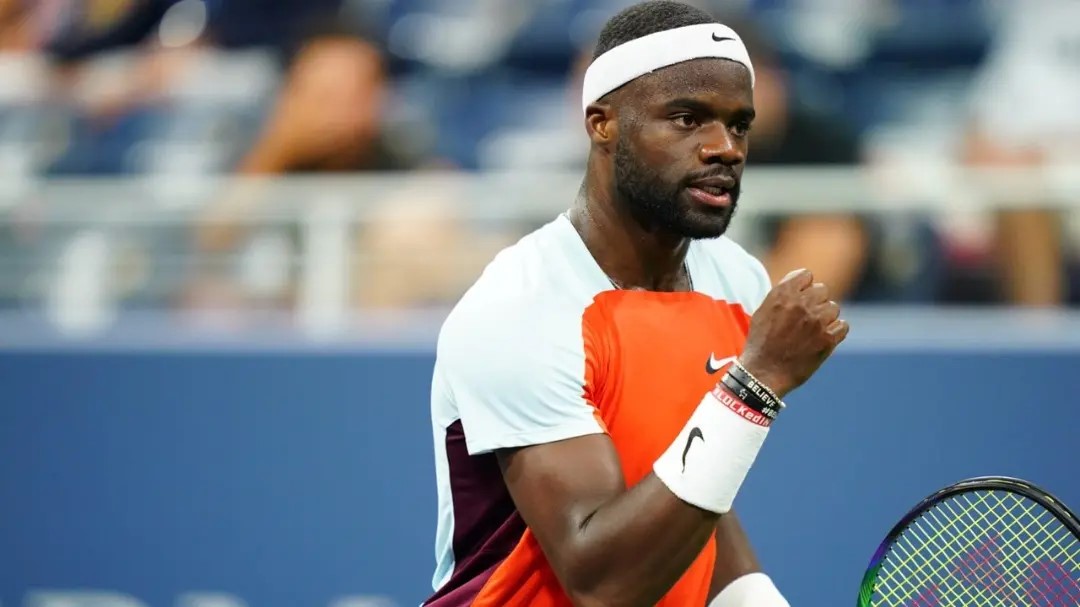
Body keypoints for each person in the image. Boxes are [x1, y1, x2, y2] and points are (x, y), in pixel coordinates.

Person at [425, 2, 848, 606]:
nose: (724, 148)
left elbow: (694, 500)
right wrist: (756, 384)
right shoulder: (521, 309)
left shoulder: (737, 281)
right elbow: (603, 584)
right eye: (687, 118)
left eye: (739, 125)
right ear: (603, 124)